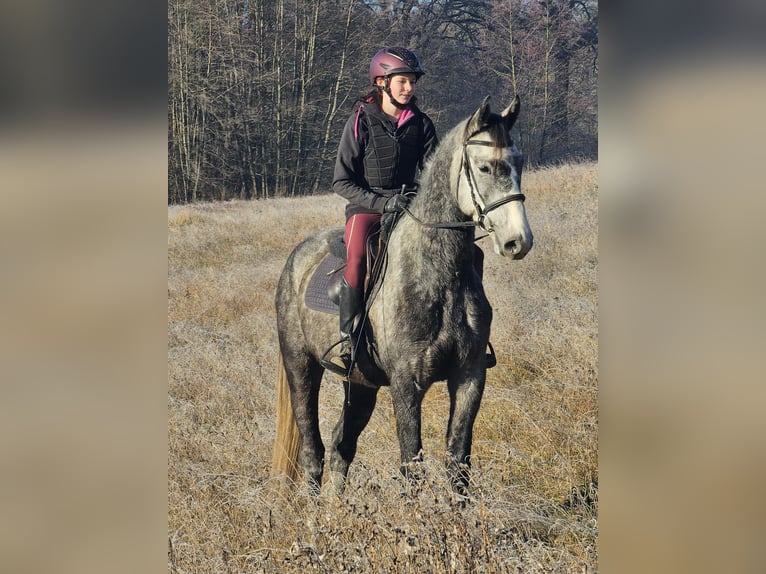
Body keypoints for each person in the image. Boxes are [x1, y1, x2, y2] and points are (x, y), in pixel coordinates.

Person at [326, 47, 439, 376]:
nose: (409, 88)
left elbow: (432, 173)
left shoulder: (422, 124)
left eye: (412, 82)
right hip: (366, 207)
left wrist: (418, 198)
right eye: (403, 81)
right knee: (358, 256)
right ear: (381, 82)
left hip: (408, 207)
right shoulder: (359, 120)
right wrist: (380, 203)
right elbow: (341, 180)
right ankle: (348, 343)